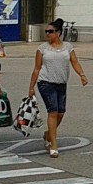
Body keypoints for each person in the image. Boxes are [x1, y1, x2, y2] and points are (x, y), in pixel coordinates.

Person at [28, 20, 88, 158]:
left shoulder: (68, 46)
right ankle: (53, 144)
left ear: (58, 33)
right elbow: (37, 68)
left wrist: (82, 75)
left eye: (50, 31)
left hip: (61, 83)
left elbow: (75, 62)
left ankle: (48, 134)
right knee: (53, 111)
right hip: (45, 82)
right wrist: (31, 87)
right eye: (46, 31)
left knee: (61, 112)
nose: (48, 34)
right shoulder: (42, 48)